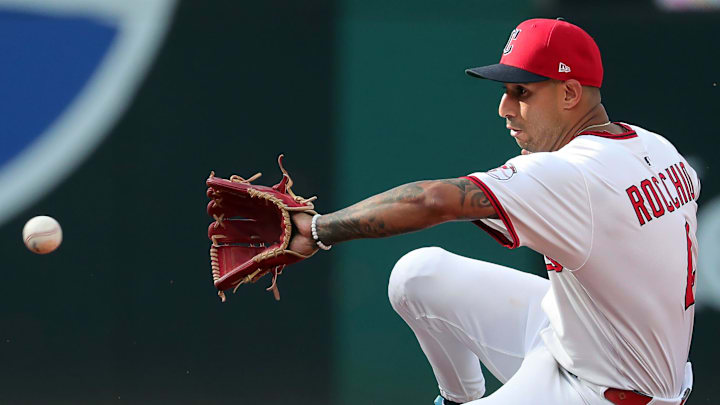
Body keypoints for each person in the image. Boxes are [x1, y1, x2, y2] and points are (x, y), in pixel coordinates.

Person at [290, 18, 699, 404]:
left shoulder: (571, 174)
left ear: (570, 94)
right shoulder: (656, 147)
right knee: (417, 276)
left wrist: (317, 229)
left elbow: (433, 200)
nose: (505, 108)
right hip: (572, 337)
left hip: (605, 393)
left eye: (522, 93)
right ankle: (457, 397)